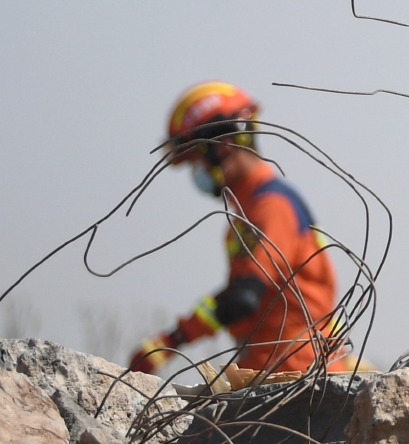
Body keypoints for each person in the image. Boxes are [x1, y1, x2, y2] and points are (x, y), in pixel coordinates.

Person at [129, 84, 346, 376]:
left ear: (222, 147)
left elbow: (244, 295)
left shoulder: (271, 207)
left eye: (197, 159)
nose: (198, 171)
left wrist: (170, 341)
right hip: (278, 369)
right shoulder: (250, 211)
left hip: (291, 374)